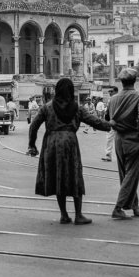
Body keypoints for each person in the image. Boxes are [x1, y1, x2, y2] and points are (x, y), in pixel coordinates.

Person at [27, 77, 111, 225]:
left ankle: (64, 215)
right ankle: (79, 215)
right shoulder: (77, 108)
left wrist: (32, 145)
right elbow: (95, 122)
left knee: (58, 176)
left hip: (52, 143)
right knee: (74, 175)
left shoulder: (47, 107)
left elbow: (33, 126)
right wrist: (112, 125)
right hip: (70, 143)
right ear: (71, 91)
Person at [107, 69, 139, 219]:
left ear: (121, 81)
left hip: (118, 138)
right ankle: (118, 207)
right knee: (132, 174)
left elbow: (108, 117)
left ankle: (135, 206)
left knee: (125, 174)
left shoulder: (113, 99)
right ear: (135, 80)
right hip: (133, 138)